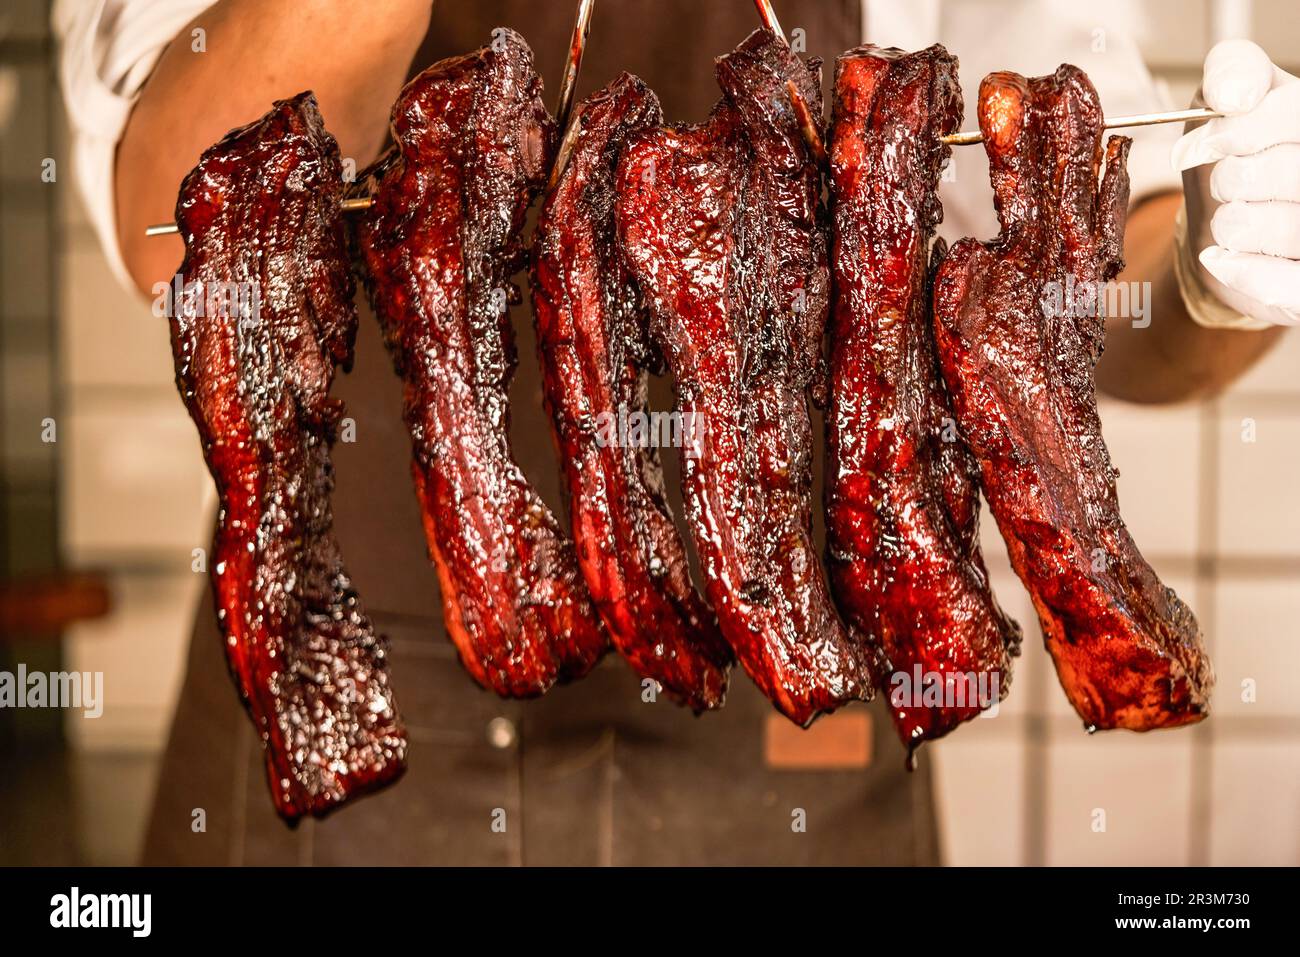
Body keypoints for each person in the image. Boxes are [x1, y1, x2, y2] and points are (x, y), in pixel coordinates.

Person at [54, 0, 1296, 865]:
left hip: (789, 729)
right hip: (346, 742)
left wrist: (1210, 269)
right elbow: (170, 223)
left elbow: (1085, 283)